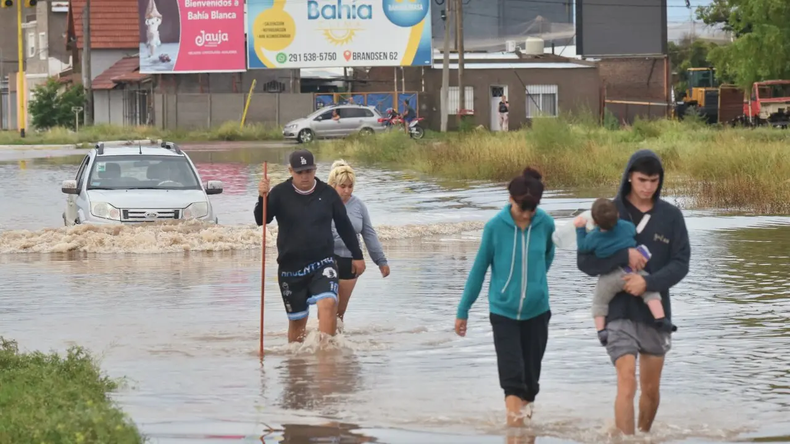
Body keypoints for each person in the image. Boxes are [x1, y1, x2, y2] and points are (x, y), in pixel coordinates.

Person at [576, 149, 690, 436]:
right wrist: (622, 255)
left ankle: (642, 436)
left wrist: (648, 283)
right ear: (629, 177)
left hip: (655, 312)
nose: (647, 187)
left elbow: (681, 264)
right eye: (642, 180)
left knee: (650, 391)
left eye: (653, 181)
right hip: (618, 312)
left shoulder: (671, 216)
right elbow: (585, 262)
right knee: (627, 381)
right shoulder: (606, 211)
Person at [454, 167, 556, 427]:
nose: (527, 215)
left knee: (530, 384)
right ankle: (515, 433)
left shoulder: (546, 223)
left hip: (537, 312)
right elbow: (478, 270)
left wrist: (535, 284)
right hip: (503, 313)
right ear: (510, 199)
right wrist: (463, 310)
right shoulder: (494, 228)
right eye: (523, 208)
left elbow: (547, 256)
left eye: (532, 210)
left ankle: (525, 431)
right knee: (513, 380)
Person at [254, 149, 367, 343]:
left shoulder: (328, 193)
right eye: (300, 172)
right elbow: (261, 219)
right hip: (291, 268)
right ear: (291, 171)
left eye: (309, 171)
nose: (305, 176)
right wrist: (262, 197)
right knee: (297, 327)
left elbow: (344, 226)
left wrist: (357, 255)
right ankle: (297, 365)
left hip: (322, 262)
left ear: (315, 170)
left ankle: (327, 356)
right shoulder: (280, 193)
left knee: (329, 302)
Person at [574, 197, 676, 347]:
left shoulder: (593, 238)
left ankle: (601, 331)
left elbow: (583, 246)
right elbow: (634, 231)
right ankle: (661, 319)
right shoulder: (627, 227)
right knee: (650, 292)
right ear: (617, 215)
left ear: (595, 222)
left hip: (609, 277)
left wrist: (580, 229)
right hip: (633, 271)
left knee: (599, 302)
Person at [326, 160, 391, 324]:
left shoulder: (358, 206)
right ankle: (320, 343)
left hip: (350, 261)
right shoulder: (323, 203)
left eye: (350, 186)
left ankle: (337, 345)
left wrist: (380, 261)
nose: (347, 191)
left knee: (339, 312)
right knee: (328, 307)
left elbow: (368, 233)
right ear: (333, 185)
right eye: (343, 186)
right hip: (327, 260)